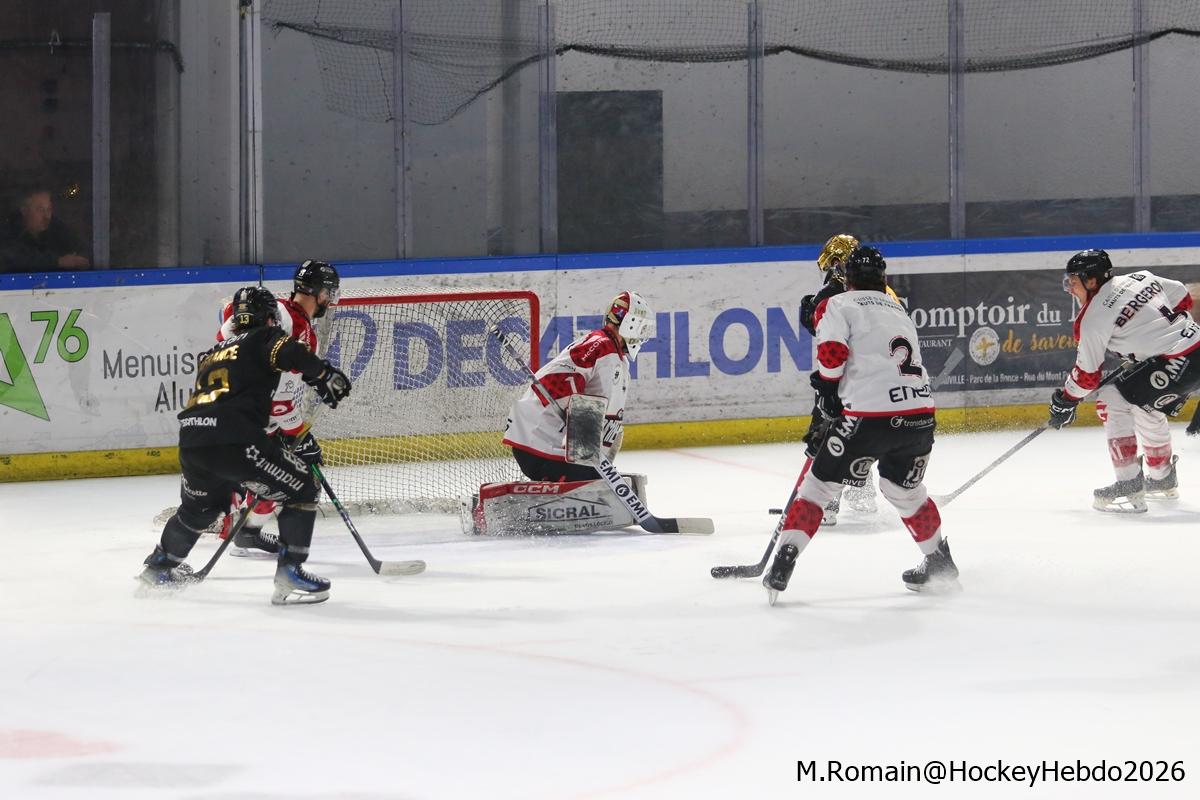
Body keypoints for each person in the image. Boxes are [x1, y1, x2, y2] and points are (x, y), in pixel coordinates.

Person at [764, 246, 957, 604]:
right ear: (883, 279)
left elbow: (832, 355)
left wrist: (828, 391)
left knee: (817, 490)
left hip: (868, 418)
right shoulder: (898, 309)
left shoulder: (839, 304)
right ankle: (940, 562)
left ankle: (783, 562)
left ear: (847, 278)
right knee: (905, 492)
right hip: (920, 415)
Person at [138, 285, 351, 605]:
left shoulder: (214, 352)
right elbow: (292, 353)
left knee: (198, 510)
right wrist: (323, 374)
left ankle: (158, 568)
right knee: (304, 486)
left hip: (193, 442)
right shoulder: (263, 337)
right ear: (269, 318)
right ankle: (290, 573)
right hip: (234, 440)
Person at [465, 292, 654, 535]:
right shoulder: (601, 345)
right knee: (591, 477)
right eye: (641, 328)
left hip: (550, 444)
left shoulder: (616, 357)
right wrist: (578, 418)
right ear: (630, 323)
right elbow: (560, 381)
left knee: (598, 476)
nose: (642, 336)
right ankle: (499, 506)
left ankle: (559, 489)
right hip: (540, 443)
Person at [1047, 249, 1200, 512]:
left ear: (1091, 281)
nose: (1069, 288)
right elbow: (1182, 298)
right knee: (1143, 404)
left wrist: (1066, 399)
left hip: (1178, 360)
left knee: (1111, 398)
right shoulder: (1140, 277)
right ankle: (1161, 477)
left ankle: (1128, 483)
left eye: (1073, 281)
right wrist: (1158, 337)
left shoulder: (1092, 318)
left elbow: (1087, 377)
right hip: (1192, 347)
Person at [214, 260, 341, 556]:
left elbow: (226, 330)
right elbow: (281, 400)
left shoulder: (280, 314)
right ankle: (251, 535)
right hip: (253, 419)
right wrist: (298, 434)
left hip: (239, 415)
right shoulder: (291, 324)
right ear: (320, 292)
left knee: (268, 476)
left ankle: (242, 528)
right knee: (292, 480)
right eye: (329, 292)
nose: (330, 299)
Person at [799, 234, 903, 527]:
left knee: (827, 433)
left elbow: (818, 326)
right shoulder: (885, 292)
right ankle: (862, 493)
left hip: (849, 373)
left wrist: (811, 306)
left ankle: (825, 502)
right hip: (881, 378)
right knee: (860, 433)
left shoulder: (837, 293)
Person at [0, 188, 90, 272]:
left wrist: (80, 260)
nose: (47, 216)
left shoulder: (58, 229)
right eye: (40, 209)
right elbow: (14, 258)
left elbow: (82, 247)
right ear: (24, 211)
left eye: (49, 209)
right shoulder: (8, 232)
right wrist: (58, 261)